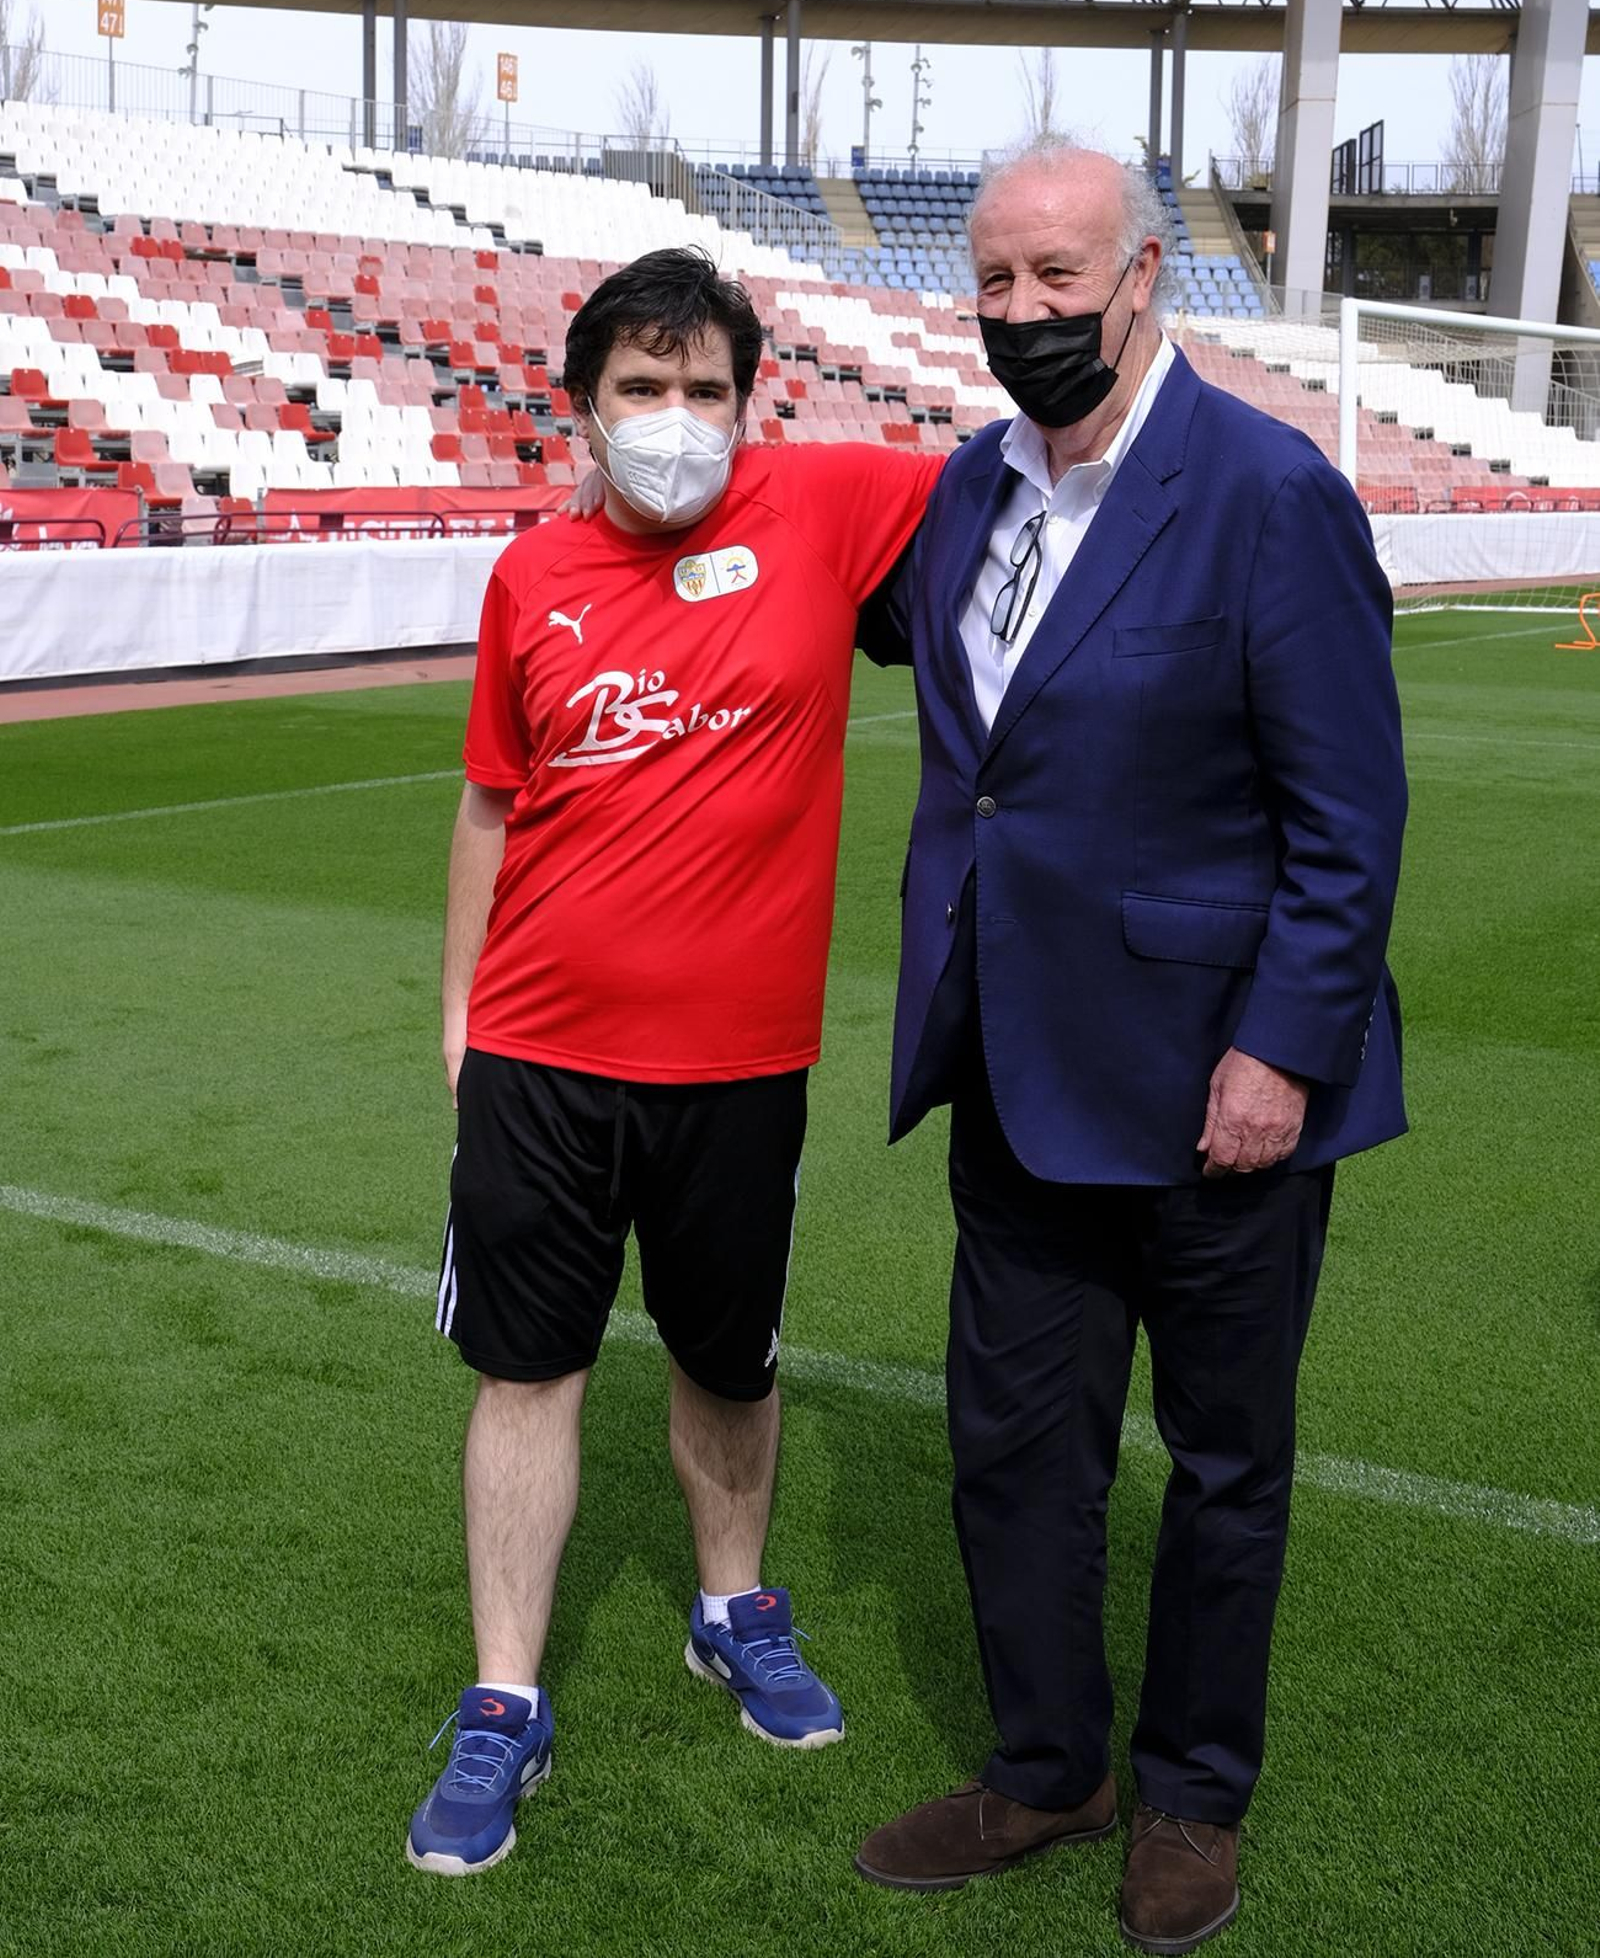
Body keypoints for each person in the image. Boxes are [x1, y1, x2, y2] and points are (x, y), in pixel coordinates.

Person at [852, 140, 1407, 1953]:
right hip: (1015, 1068)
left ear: (1145, 274)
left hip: (1216, 1088)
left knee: (1225, 1461)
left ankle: (1189, 1792)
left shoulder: (1267, 491)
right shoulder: (962, 492)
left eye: (1056, 279)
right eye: (994, 281)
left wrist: (1282, 1054)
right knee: (1016, 1451)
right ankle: (1045, 1767)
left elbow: (1348, 818)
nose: (1022, 314)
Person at [407, 245, 942, 1876]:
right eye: (643, 389)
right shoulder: (530, 581)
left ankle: (735, 1612)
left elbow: (1027, 488)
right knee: (527, 1372)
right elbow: (491, 804)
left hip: (740, 1066)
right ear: (582, 409)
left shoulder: (829, 508)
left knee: (731, 1360)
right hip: (541, 1055)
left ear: (746, 400)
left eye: (706, 389)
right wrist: (456, 1011)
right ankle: (503, 1702)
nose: (678, 419)